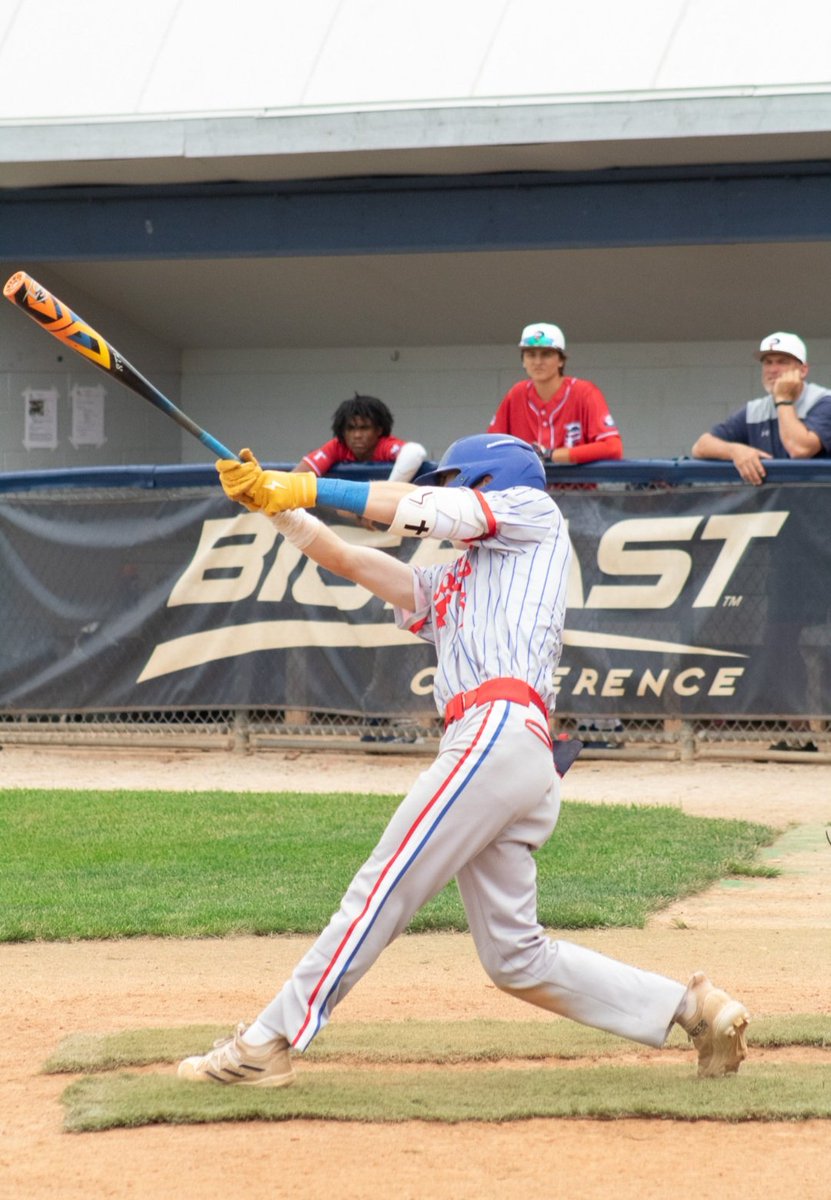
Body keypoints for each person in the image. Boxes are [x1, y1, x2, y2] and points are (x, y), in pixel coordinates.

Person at [177, 433, 749, 1087]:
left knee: (382, 888)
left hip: (496, 732)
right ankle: (692, 1009)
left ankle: (266, 1041)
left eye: (454, 481)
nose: (445, 492)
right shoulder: (461, 576)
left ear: (487, 479)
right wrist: (276, 506)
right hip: (503, 747)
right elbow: (347, 558)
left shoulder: (532, 513)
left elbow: (420, 509)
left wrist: (302, 483)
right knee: (515, 957)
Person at [691, 332, 831, 485]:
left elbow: (799, 449)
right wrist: (735, 451)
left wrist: (783, 399)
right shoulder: (755, 410)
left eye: (782, 362)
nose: (773, 369)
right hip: (775, 498)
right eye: (767, 362)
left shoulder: (824, 401)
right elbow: (700, 446)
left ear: (803, 370)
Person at [488, 323, 623, 464]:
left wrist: (551, 455)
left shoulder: (584, 393)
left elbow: (613, 447)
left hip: (576, 478)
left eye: (546, 354)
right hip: (528, 479)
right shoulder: (516, 394)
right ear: (523, 361)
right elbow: (490, 447)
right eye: (531, 355)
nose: (538, 362)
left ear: (561, 360)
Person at [293, 392, 427, 483]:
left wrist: (386, 492)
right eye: (350, 428)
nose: (357, 435)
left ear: (378, 430)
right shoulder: (338, 446)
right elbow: (296, 477)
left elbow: (415, 452)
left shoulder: (384, 445)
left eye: (364, 428)